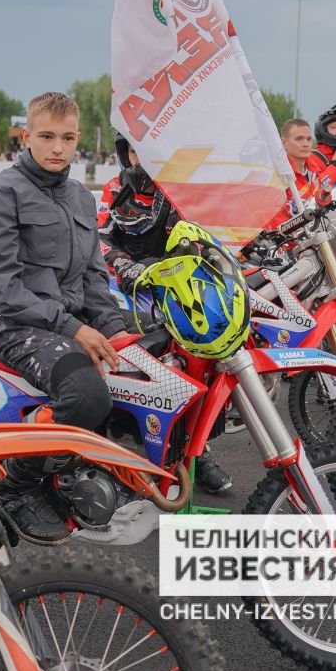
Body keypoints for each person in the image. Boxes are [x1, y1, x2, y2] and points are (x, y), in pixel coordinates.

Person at [0, 92, 131, 545]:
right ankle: (16, 489)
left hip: (65, 319)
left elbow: (95, 276)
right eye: (47, 136)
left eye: (68, 138)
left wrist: (118, 330)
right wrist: (73, 327)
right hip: (11, 323)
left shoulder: (79, 195)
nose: (58, 147)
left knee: (150, 371)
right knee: (86, 395)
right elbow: (0, 287)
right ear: (26, 136)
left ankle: (77, 471)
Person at [98, 134, 234, 494]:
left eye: (145, 149)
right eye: (131, 149)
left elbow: (205, 236)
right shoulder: (114, 188)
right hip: (125, 289)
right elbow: (98, 238)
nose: (138, 157)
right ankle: (134, 448)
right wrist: (123, 265)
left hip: (177, 287)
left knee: (201, 364)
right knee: (141, 368)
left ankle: (197, 452)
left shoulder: (181, 189)